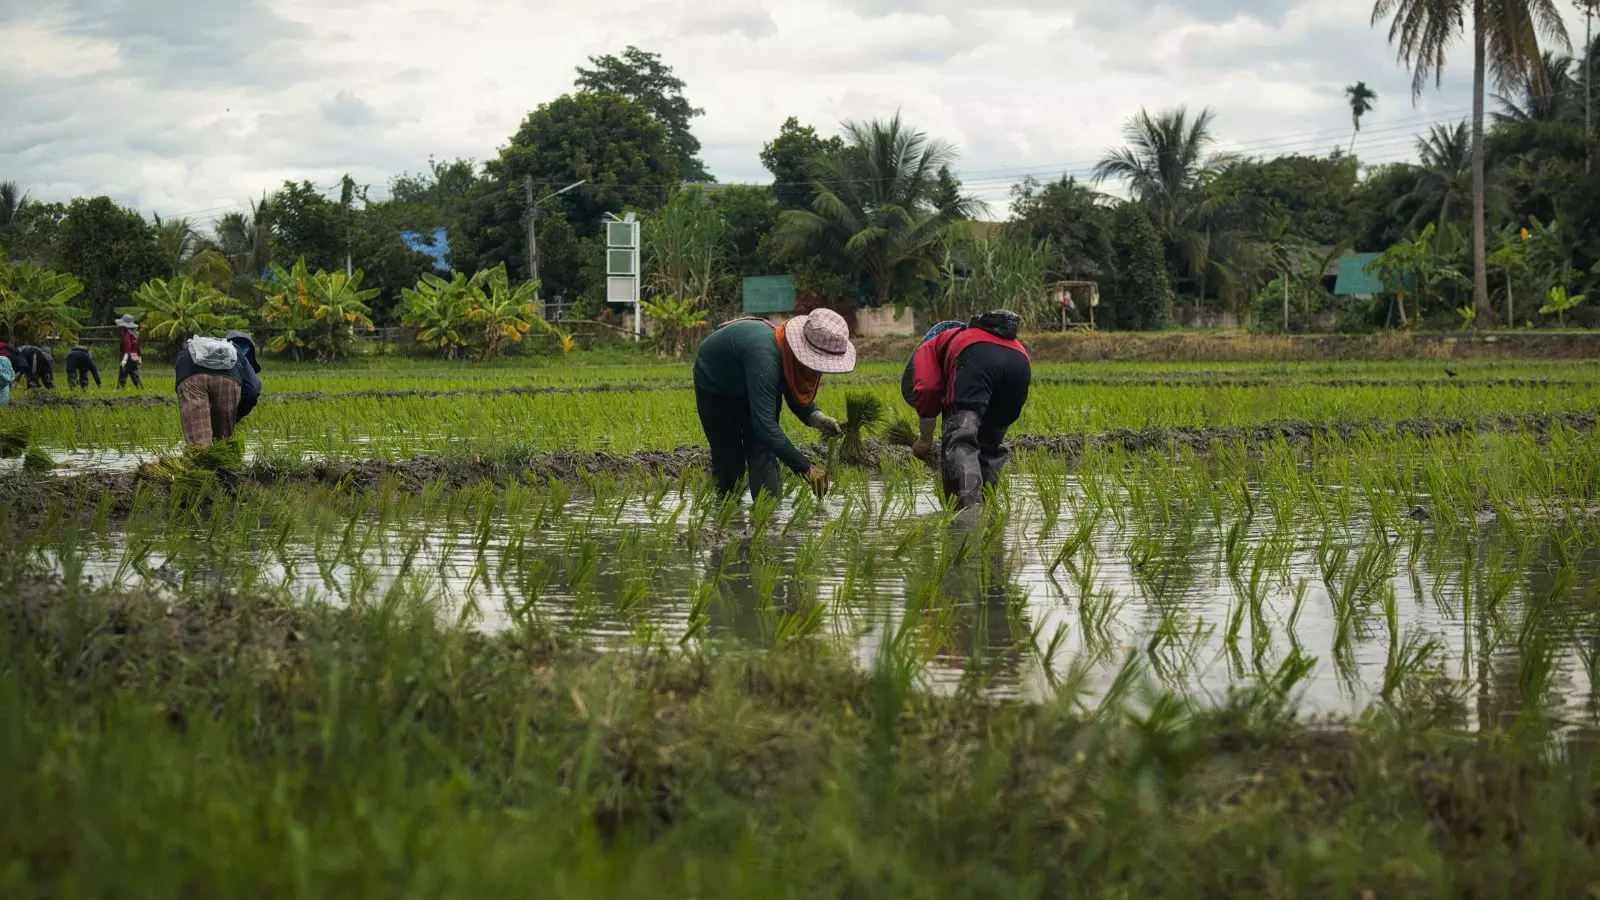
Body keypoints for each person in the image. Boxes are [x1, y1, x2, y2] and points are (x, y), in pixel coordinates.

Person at [692, 308, 855, 500]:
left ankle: (768, 518)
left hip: (755, 378)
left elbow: (793, 389)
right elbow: (765, 426)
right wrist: (806, 469)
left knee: (763, 453)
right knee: (730, 461)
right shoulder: (767, 359)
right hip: (717, 386)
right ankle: (724, 519)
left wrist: (816, 417)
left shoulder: (788, 357)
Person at [901, 310, 1032, 510]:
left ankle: (967, 514)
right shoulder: (969, 337)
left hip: (977, 356)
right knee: (990, 447)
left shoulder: (929, 346)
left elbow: (927, 389)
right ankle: (988, 512)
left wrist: (925, 439)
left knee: (961, 441)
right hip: (1021, 363)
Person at [174, 330, 262, 446]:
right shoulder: (237, 353)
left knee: (199, 444)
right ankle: (218, 458)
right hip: (227, 378)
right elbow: (252, 391)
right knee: (222, 442)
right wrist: (236, 414)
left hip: (190, 372)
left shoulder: (199, 345)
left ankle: (200, 457)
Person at [116, 314, 144, 389]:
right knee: (135, 375)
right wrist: (140, 358)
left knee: (123, 375)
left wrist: (124, 359)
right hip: (134, 357)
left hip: (127, 357)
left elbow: (127, 347)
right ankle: (140, 388)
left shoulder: (127, 334)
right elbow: (138, 348)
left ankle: (120, 389)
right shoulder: (136, 334)